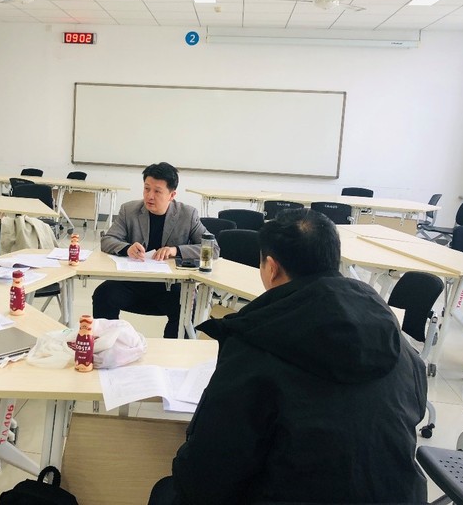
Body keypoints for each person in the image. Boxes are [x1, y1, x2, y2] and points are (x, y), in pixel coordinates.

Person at [149, 208, 428, 504]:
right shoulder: (395, 339)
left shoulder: (255, 344)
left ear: (271, 268)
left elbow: (208, 473)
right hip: (402, 496)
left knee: (168, 491)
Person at [93, 162, 218, 338]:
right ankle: (108, 345)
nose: (150, 196)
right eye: (146, 189)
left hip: (170, 286)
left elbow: (212, 249)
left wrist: (176, 250)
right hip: (133, 282)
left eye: (157, 191)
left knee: (188, 306)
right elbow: (108, 240)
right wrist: (127, 248)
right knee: (103, 294)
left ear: (172, 195)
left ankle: (172, 352)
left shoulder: (187, 214)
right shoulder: (129, 210)